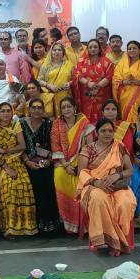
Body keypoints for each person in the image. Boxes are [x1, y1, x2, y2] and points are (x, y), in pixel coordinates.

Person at [77, 119, 137, 256]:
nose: (107, 133)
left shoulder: (119, 146)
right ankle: (110, 241)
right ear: (97, 133)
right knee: (100, 200)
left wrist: (116, 176)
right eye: (103, 131)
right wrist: (96, 182)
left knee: (125, 203)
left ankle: (120, 241)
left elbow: (130, 170)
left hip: (116, 185)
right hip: (94, 185)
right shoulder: (88, 149)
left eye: (110, 131)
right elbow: (81, 172)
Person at [0, 102, 37, 237]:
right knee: (9, 185)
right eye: (3, 111)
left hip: (15, 159)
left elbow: (22, 145)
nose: (6, 113)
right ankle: (9, 227)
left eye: (9, 111)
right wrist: (6, 167)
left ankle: (26, 226)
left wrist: (6, 150)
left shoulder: (15, 124)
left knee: (24, 183)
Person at [51, 96, 95, 235]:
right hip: (63, 162)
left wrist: (79, 164)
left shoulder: (84, 122)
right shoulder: (57, 124)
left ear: (74, 108)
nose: (66, 109)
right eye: (63, 107)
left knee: (81, 181)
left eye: (69, 106)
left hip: (82, 160)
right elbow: (56, 147)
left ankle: (83, 224)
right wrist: (66, 165)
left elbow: (89, 146)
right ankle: (69, 223)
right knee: (59, 177)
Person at [21, 98, 62, 233]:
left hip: (46, 161)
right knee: (36, 182)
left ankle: (51, 220)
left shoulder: (49, 124)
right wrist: (27, 162)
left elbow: (54, 145)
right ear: (29, 109)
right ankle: (39, 219)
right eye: (34, 107)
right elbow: (19, 147)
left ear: (43, 110)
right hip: (27, 161)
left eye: (39, 108)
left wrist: (49, 160)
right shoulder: (21, 124)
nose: (37, 110)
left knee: (49, 181)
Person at [113, 40, 140, 125]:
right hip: (125, 96)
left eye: (134, 48)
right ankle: (127, 135)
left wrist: (139, 81)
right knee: (125, 119)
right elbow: (115, 79)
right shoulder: (121, 64)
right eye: (129, 48)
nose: (131, 50)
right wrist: (124, 82)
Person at [73, 38, 114, 123]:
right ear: (87, 49)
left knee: (102, 117)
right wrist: (88, 83)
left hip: (102, 94)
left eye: (95, 47)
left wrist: (97, 86)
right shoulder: (81, 61)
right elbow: (77, 74)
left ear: (99, 49)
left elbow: (109, 76)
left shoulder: (107, 61)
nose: (93, 49)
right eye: (90, 47)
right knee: (86, 118)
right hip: (86, 95)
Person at [37, 42, 74, 118]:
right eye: (54, 50)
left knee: (66, 117)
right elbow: (39, 80)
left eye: (59, 50)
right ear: (51, 52)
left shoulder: (69, 64)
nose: (57, 52)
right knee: (52, 119)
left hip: (65, 95)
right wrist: (49, 85)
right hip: (50, 97)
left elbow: (75, 78)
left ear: (63, 53)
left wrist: (69, 83)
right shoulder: (45, 66)